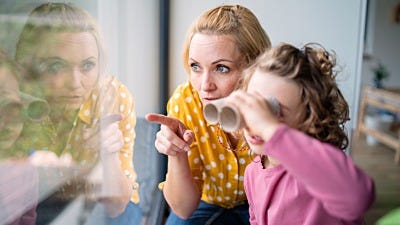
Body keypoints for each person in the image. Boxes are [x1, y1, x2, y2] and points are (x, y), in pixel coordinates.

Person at [14, 2, 140, 224]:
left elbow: (116, 204)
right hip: (39, 200)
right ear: (30, 66)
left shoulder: (111, 97)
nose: (75, 83)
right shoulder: (15, 99)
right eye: (56, 66)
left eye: (87, 66)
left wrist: (107, 156)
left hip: (103, 200)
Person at [146, 4, 271, 225]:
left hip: (265, 200)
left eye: (221, 68)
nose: (205, 86)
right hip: (208, 202)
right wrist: (177, 154)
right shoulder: (185, 101)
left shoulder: (275, 102)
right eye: (195, 66)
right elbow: (184, 210)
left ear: (254, 66)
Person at [223, 43, 375, 224]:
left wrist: (269, 128)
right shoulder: (253, 172)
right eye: (255, 105)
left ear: (311, 117)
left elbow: (359, 197)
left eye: (273, 111)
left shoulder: (316, 170)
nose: (257, 121)